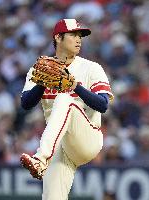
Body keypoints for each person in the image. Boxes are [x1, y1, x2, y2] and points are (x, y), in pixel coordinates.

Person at [20, 19, 113, 200]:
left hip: (87, 137)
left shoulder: (91, 68)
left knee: (65, 99)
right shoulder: (39, 69)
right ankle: (42, 161)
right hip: (59, 146)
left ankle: (40, 159)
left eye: (80, 36)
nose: (79, 39)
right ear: (58, 37)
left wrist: (75, 86)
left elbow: (103, 105)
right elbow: (26, 103)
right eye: (73, 35)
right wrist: (42, 83)